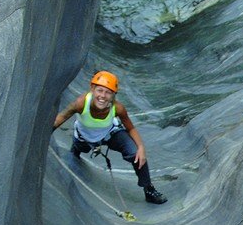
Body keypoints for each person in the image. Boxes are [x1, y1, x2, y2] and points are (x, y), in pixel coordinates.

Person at [52, 70, 167, 204]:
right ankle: (75, 151)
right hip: (85, 136)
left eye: (108, 92)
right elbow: (60, 118)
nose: (103, 96)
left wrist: (141, 148)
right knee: (77, 151)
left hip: (110, 133)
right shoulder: (81, 103)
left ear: (113, 95)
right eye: (99, 90)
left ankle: (149, 190)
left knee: (135, 154)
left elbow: (131, 128)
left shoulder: (117, 108)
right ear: (92, 89)